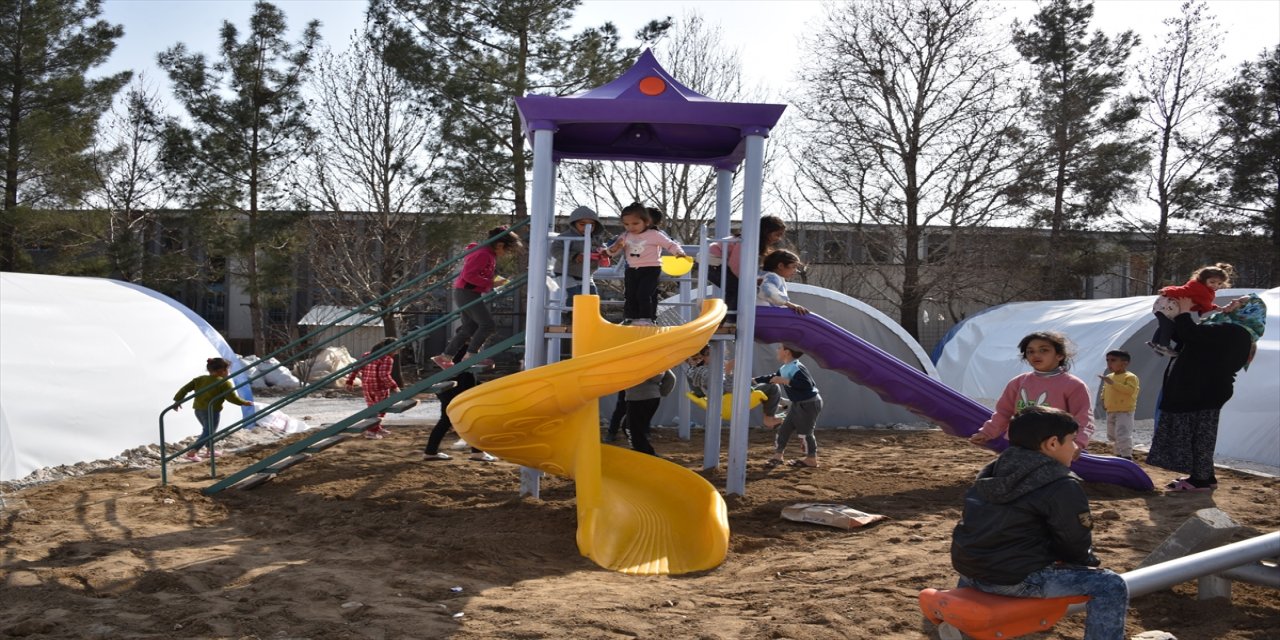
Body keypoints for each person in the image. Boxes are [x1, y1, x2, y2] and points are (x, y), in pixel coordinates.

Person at [950, 405, 1129, 640]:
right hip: (1015, 580)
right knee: (1110, 585)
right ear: (1052, 443)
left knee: (995, 547)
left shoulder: (992, 471)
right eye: (1072, 441)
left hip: (970, 571)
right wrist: (1085, 564)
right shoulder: (1061, 483)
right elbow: (1074, 540)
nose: (1076, 448)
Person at [1147, 294, 1265, 492]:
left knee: (1199, 435)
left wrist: (1184, 312)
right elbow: (1188, 338)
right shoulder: (1226, 327)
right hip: (1202, 389)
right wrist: (1169, 316)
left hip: (1202, 390)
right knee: (1200, 434)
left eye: (1241, 302)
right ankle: (1204, 476)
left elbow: (1193, 335)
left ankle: (1199, 481)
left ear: (1250, 309)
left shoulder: (1236, 331)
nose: (1233, 302)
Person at [969, 331, 1094, 455]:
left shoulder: (1074, 385)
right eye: (1030, 351)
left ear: (1059, 355)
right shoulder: (1018, 382)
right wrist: (986, 433)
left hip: (1054, 448)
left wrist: (1078, 444)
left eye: (1043, 350)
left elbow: (1083, 419)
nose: (1036, 355)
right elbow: (1003, 413)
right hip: (1019, 445)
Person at [431, 226, 523, 370]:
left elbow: (477, 274)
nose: (505, 254)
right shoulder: (483, 254)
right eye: (507, 250)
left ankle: (444, 357)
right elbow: (469, 276)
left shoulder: (487, 253)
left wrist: (491, 280)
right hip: (467, 292)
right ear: (499, 244)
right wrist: (491, 282)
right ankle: (472, 355)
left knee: (470, 327)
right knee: (487, 325)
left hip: (466, 292)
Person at [604, 202, 686, 326]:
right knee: (630, 294)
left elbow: (670, 244)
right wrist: (614, 248)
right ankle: (630, 317)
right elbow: (612, 252)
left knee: (644, 293)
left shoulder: (654, 235)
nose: (631, 227)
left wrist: (678, 252)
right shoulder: (625, 236)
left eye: (635, 223)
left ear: (646, 222)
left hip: (651, 268)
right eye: (626, 224)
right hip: (632, 269)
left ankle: (646, 318)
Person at [422, 345, 499, 462]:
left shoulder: (456, 351)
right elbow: (465, 377)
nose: (482, 344)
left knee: (445, 421)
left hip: (449, 390)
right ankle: (477, 453)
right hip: (456, 391)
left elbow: (467, 376)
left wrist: (479, 385)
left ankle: (430, 452)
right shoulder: (467, 351)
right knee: (474, 420)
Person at [172, 357, 253, 462]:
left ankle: (209, 451)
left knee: (209, 431)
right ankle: (192, 452)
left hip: (198, 410)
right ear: (221, 371)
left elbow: (184, 389)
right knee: (209, 431)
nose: (228, 372)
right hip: (212, 411)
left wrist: (178, 400)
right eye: (227, 369)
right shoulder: (224, 383)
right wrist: (244, 403)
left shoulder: (200, 379)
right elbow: (232, 398)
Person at [707, 215, 787, 319]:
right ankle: (729, 320)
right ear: (766, 231)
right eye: (777, 234)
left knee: (736, 288)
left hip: (716, 264)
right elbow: (736, 265)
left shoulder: (752, 243)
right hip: (712, 264)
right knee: (739, 288)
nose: (779, 239)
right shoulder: (744, 242)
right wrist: (752, 280)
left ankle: (727, 319)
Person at [686, 344, 785, 428]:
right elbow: (726, 390)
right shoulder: (704, 372)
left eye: (720, 352)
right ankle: (769, 418)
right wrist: (729, 371)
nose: (717, 356)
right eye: (710, 354)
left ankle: (778, 404)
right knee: (773, 388)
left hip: (733, 395)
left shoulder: (714, 368)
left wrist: (747, 380)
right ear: (702, 358)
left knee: (765, 383)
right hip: (728, 401)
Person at [1148, 262, 1233, 356]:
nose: (1215, 285)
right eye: (1212, 282)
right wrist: (1167, 291)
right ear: (1203, 280)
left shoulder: (1206, 291)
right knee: (1168, 325)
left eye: (1219, 283)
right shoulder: (1198, 288)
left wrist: (1215, 307)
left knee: (1166, 325)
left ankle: (1156, 342)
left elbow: (1204, 303)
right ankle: (1164, 346)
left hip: (1169, 308)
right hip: (1165, 306)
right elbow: (1182, 290)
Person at [760, 344, 822, 468]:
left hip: (809, 403)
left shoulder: (797, 367)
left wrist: (785, 381)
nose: (777, 350)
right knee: (784, 429)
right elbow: (773, 378)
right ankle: (778, 456)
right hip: (797, 403)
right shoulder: (785, 367)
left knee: (805, 433)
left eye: (779, 348)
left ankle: (811, 459)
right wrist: (754, 380)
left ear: (787, 352)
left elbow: (807, 384)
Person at [345, 337, 400, 440]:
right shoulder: (387, 359)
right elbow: (384, 375)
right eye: (397, 350)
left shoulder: (367, 355)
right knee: (381, 410)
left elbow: (356, 367)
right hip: (379, 388)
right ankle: (372, 431)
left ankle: (376, 428)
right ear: (391, 349)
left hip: (367, 386)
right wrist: (394, 386)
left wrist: (350, 381)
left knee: (372, 408)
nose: (397, 352)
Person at [551, 205, 609, 301]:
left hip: (586, 273)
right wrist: (574, 256)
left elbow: (602, 247)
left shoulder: (596, 238)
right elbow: (555, 250)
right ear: (574, 224)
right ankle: (571, 314)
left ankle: (589, 314)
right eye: (582, 224)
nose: (587, 227)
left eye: (592, 225)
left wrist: (603, 253)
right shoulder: (566, 237)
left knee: (592, 295)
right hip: (566, 272)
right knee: (573, 294)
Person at [620, 368, 676, 455]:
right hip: (648, 398)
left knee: (633, 430)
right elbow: (671, 378)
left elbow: (664, 377)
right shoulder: (656, 360)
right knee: (631, 427)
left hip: (638, 399)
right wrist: (660, 393)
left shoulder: (642, 361)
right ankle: (644, 451)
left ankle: (646, 454)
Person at [1098, 350, 1140, 459]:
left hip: (1124, 411)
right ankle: (1118, 454)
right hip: (1111, 410)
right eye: (1108, 360)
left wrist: (1112, 383)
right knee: (1112, 435)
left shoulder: (1130, 377)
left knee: (1123, 434)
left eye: (1113, 360)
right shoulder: (1109, 376)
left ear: (1124, 363)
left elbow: (1129, 390)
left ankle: (1126, 456)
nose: (1109, 363)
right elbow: (1105, 389)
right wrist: (1103, 400)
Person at [757, 249, 809, 315]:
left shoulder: (763, 275)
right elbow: (768, 291)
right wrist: (791, 305)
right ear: (780, 266)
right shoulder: (771, 277)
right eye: (794, 267)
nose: (796, 270)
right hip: (765, 316)